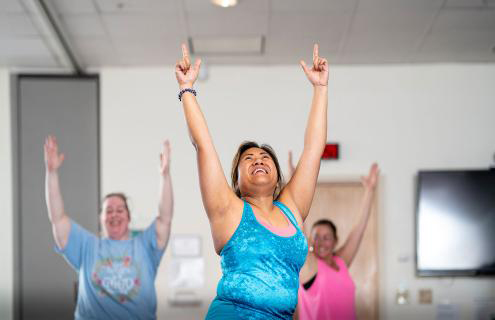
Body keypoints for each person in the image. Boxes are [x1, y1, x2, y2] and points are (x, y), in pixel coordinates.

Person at [174, 43, 329, 319]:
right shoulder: (228, 211)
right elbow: (204, 145)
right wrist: (187, 90)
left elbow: (314, 149)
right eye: (248, 159)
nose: (258, 160)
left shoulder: (291, 210)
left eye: (264, 157)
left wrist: (320, 89)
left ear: (277, 176)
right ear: (237, 180)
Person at [44, 135, 174, 319]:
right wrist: (51, 173)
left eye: (120, 210)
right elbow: (57, 218)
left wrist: (165, 176)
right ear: (101, 218)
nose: (114, 214)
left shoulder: (145, 246)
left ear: (128, 217)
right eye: (109, 210)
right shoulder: (87, 246)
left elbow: (165, 218)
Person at [289, 160, 379, 320]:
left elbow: (358, 231)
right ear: (310, 240)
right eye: (316, 237)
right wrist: (296, 183)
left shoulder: (341, 262)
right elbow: (298, 225)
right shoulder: (310, 266)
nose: (321, 242)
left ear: (335, 241)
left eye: (326, 238)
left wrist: (369, 191)